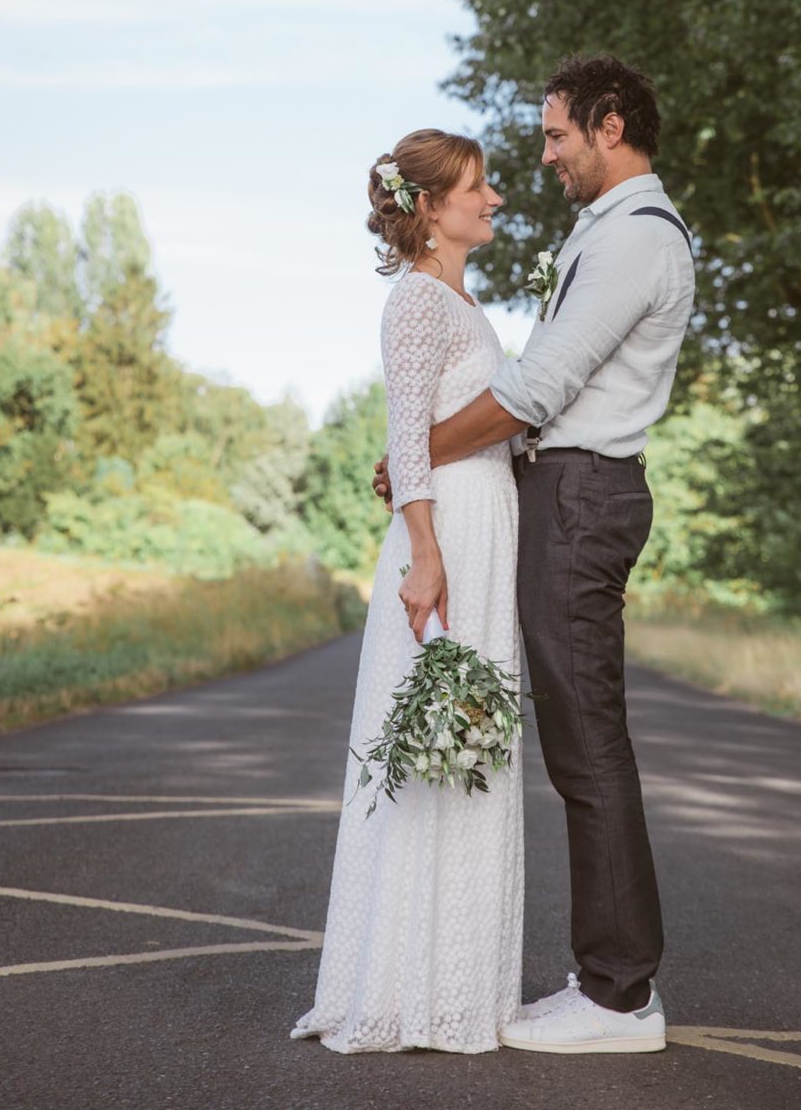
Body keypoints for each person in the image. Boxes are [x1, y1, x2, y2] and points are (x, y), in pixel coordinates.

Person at [374, 54, 695, 1054]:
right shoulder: (603, 234)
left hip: (584, 497)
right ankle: (608, 977)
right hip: (563, 492)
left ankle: (618, 994)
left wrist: (416, 450)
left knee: (587, 740)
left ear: (609, 127)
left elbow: (536, 390)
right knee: (575, 740)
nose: (545, 154)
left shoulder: (636, 240)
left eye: (557, 134)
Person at [290, 129, 523, 1054]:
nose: (495, 197)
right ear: (430, 207)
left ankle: (464, 981)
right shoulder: (418, 300)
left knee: (473, 744)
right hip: (449, 536)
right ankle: (405, 986)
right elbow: (412, 440)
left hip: (486, 527)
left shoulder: (465, 303)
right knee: (440, 740)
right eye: (478, 186)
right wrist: (425, 554)